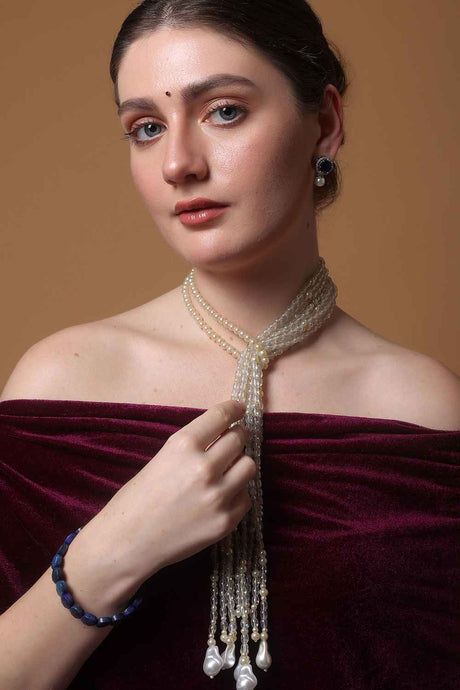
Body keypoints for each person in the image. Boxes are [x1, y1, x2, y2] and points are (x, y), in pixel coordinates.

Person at [0, 1, 459, 688]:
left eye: (224, 111)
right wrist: (114, 549)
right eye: (147, 128)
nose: (178, 164)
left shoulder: (423, 408)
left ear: (325, 124)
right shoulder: (59, 381)